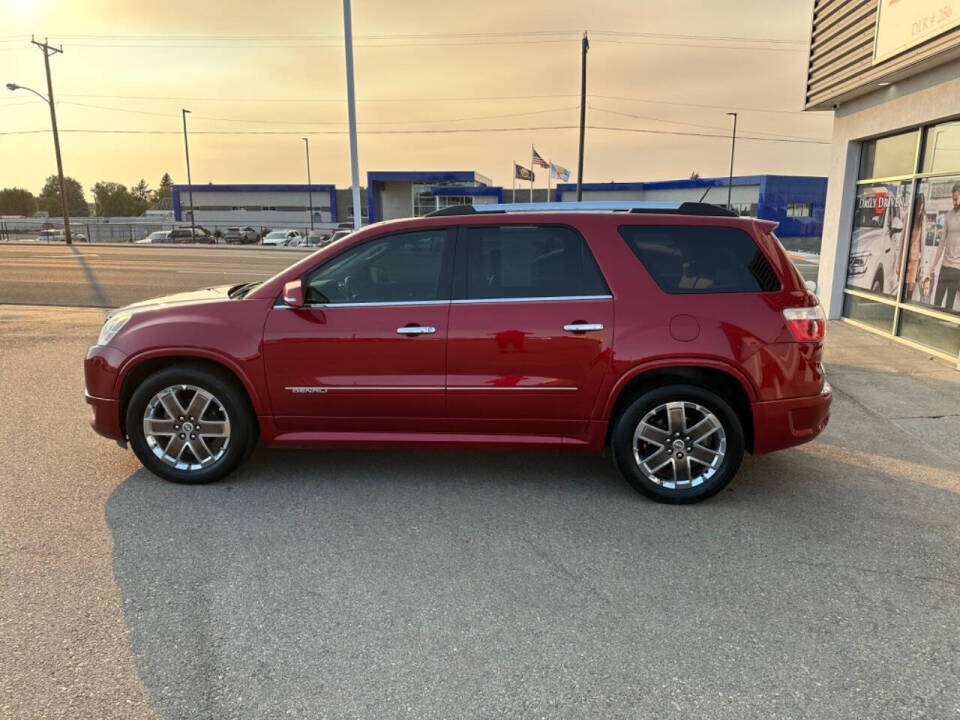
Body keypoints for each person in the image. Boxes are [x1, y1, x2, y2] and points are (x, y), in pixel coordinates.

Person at [929, 183, 960, 311]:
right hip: (945, 266)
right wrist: (933, 264)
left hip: (957, 268)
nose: (955, 202)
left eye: (957, 199)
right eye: (953, 199)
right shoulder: (948, 216)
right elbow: (942, 242)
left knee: (948, 306)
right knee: (937, 302)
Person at [897, 193, 925, 301]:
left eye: (923, 205)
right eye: (920, 205)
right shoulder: (908, 216)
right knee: (901, 290)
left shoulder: (922, 219)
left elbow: (923, 244)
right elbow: (902, 239)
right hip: (905, 258)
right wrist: (899, 264)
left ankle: (906, 307)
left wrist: (922, 266)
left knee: (910, 291)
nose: (921, 208)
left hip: (914, 259)